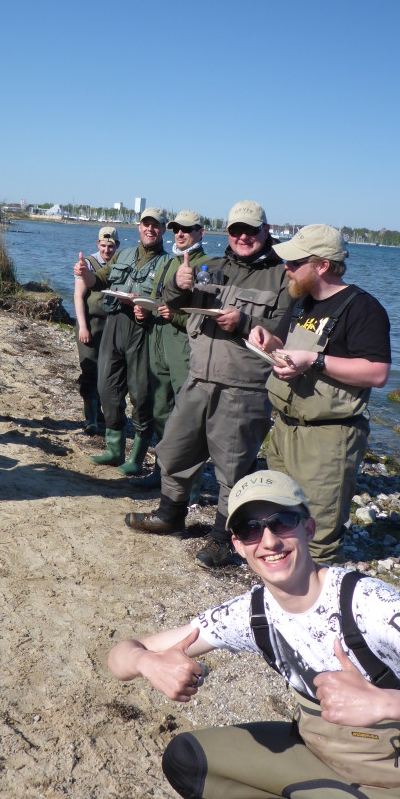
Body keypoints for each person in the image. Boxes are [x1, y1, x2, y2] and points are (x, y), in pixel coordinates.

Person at [109, 470, 400, 799]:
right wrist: (148, 663)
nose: (268, 541)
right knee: (189, 761)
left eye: (281, 521)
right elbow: (122, 654)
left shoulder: (369, 604)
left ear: (308, 527)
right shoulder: (252, 614)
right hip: (322, 759)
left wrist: (385, 702)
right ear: (237, 544)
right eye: (250, 530)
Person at [126, 201, 292, 569]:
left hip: (244, 387)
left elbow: (284, 332)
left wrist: (245, 322)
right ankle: (170, 515)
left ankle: (224, 539)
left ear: (266, 230)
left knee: (232, 469)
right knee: (174, 450)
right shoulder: (208, 267)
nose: (243, 237)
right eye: (236, 230)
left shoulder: (283, 276)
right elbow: (172, 303)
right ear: (227, 233)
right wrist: (177, 283)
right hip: (198, 377)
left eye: (251, 230)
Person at [248, 224, 391, 563]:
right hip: (284, 429)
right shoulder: (303, 303)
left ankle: (318, 606)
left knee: (317, 535)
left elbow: (378, 372)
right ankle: (286, 598)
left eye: (295, 262)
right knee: (282, 520)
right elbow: (288, 347)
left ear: (322, 265)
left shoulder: (363, 309)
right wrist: (270, 342)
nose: (287, 268)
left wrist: (315, 359)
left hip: (328, 439)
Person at [73, 207, 168, 475]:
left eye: (155, 225)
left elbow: (169, 304)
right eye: (145, 224)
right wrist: (84, 272)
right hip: (113, 324)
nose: (150, 229)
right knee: (106, 387)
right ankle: (114, 449)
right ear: (139, 227)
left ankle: (136, 456)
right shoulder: (122, 255)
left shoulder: (167, 263)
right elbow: (98, 280)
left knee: (140, 393)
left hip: (142, 330)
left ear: (162, 229)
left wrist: (146, 309)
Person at [131, 210, 209, 490]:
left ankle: (191, 485)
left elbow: (208, 315)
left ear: (201, 231)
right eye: (176, 228)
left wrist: (173, 315)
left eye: (187, 229)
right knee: (161, 410)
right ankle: (161, 472)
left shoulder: (206, 264)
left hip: (185, 349)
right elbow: (156, 298)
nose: (180, 233)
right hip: (158, 343)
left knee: (187, 417)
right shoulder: (167, 262)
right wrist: (144, 309)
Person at [73, 226, 120, 435]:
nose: (107, 250)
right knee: (90, 369)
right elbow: (77, 297)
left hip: (112, 326)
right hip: (90, 324)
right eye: (103, 245)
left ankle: (101, 411)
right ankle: (90, 417)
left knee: (108, 370)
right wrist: (83, 327)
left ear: (117, 246)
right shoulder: (87, 264)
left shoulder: (121, 264)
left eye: (111, 246)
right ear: (97, 244)